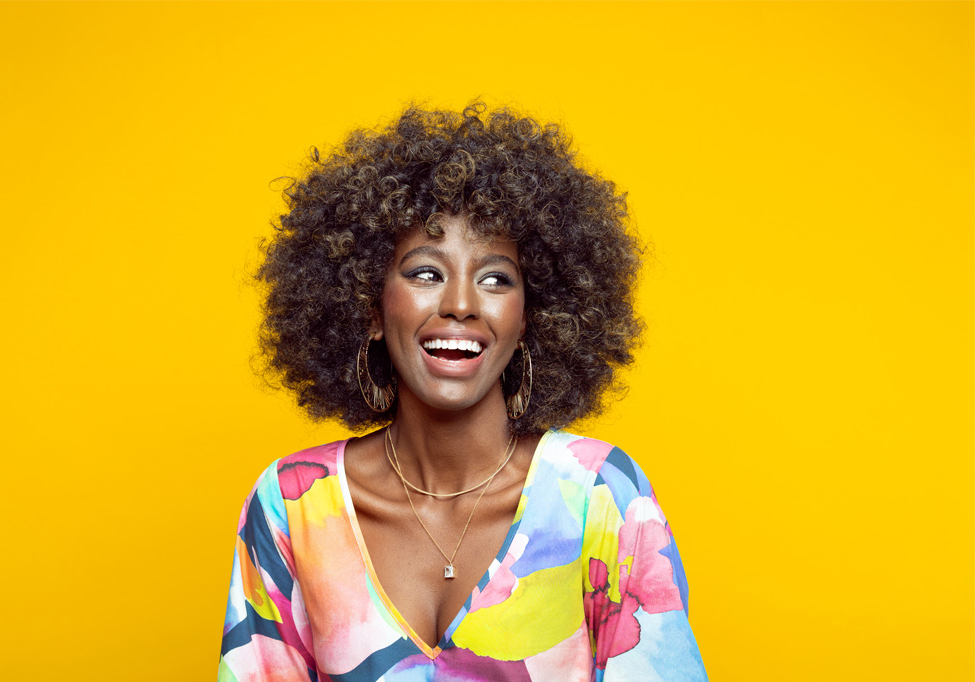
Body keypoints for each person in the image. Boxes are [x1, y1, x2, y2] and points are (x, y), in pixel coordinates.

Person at [219, 103, 708, 681]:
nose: (461, 304)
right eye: (426, 272)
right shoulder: (291, 507)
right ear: (370, 307)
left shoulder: (596, 496)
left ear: (530, 318)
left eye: (496, 278)